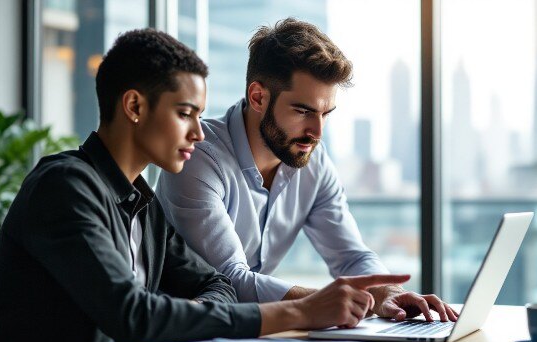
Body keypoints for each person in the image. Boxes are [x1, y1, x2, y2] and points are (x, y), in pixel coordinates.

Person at [0, 28, 408, 342]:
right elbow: (136, 317)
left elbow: (216, 284)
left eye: (200, 116)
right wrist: (301, 312)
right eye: (186, 114)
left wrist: (181, 316)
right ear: (134, 106)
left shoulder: (140, 203)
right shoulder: (65, 187)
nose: (199, 134)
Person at [156, 18, 458, 322]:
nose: (317, 131)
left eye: (326, 113)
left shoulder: (314, 161)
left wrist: (386, 291)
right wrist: (324, 302)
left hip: (252, 335)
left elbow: (351, 256)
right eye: (303, 111)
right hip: (178, 335)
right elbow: (230, 280)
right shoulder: (198, 157)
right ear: (258, 97)